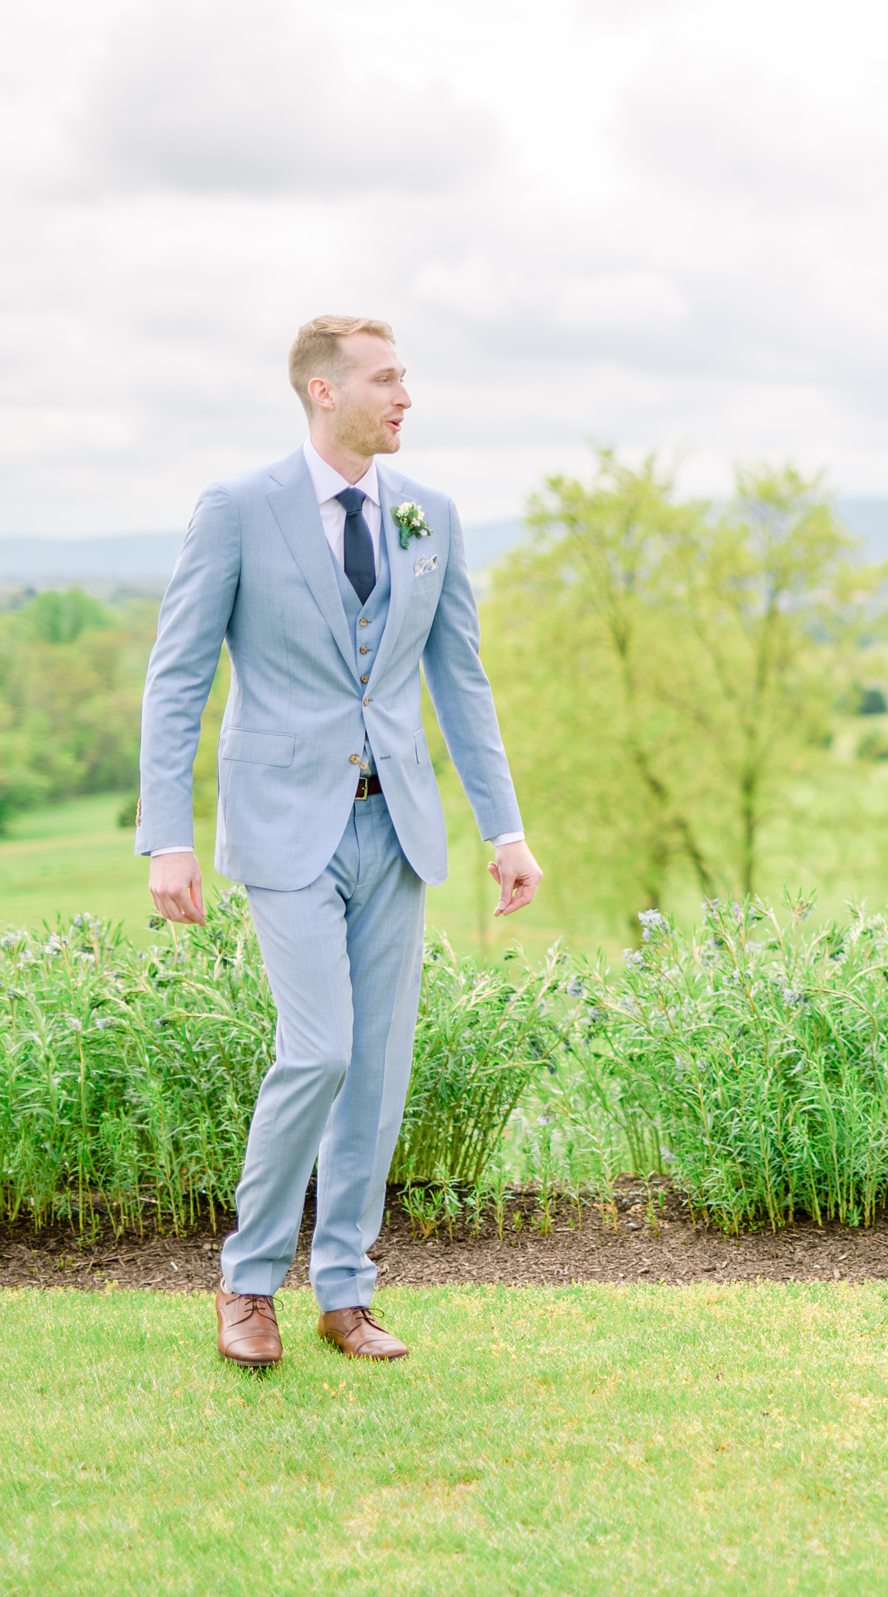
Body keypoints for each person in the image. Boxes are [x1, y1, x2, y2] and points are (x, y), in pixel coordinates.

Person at [137, 314, 542, 1367]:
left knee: (377, 1067)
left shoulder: (430, 515)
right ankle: (249, 1278)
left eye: (405, 378)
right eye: (386, 378)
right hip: (283, 826)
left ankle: (348, 1291)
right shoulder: (238, 509)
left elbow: (460, 678)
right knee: (317, 1047)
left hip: (394, 825)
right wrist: (165, 838)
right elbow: (178, 675)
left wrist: (505, 828)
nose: (406, 396)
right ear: (324, 391)